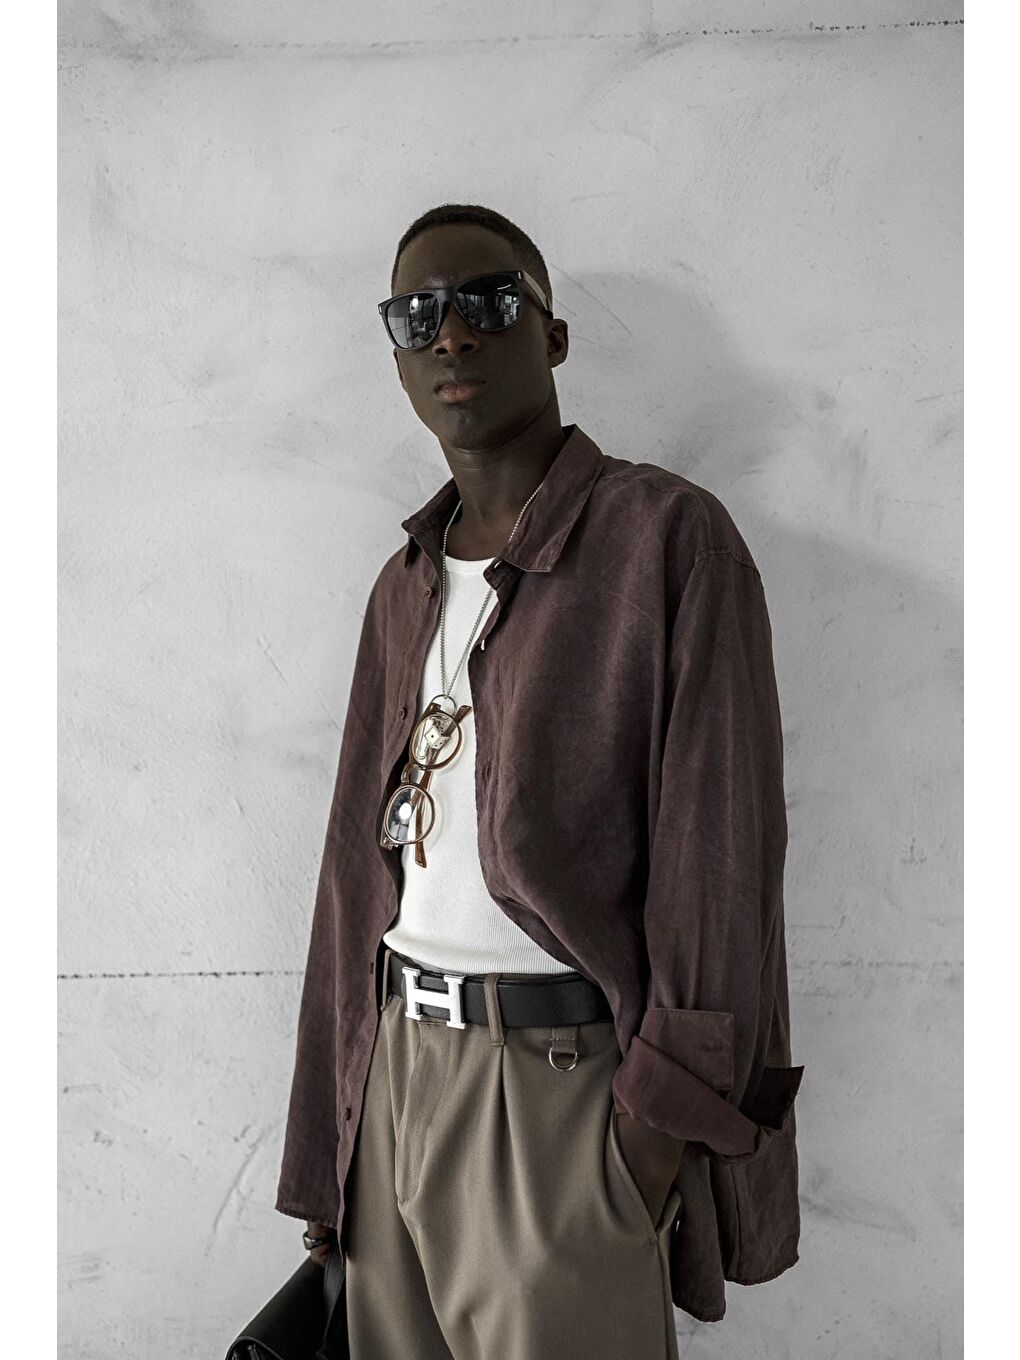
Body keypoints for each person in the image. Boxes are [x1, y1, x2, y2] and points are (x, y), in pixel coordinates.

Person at [276, 203, 805, 1358]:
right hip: (389, 1076)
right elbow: (348, 882)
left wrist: (648, 1138)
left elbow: (721, 861)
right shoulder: (403, 584)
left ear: (553, 334)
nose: (452, 334)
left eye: (488, 301)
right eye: (418, 316)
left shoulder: (666, 539)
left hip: (558, 1093)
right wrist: (332, 1139)